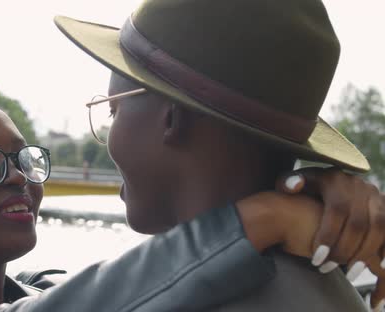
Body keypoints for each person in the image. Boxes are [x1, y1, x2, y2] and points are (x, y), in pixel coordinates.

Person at [0, 85, 385, 312]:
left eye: (26, 159)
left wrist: (313, 197)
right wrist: (255, 219)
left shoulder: (53, 289)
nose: (21, 179)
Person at [50, 0, 385, 310]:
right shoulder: (325, 286)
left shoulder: (177, 300)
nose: (107, 139)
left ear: (172, 118)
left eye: (112, 111)